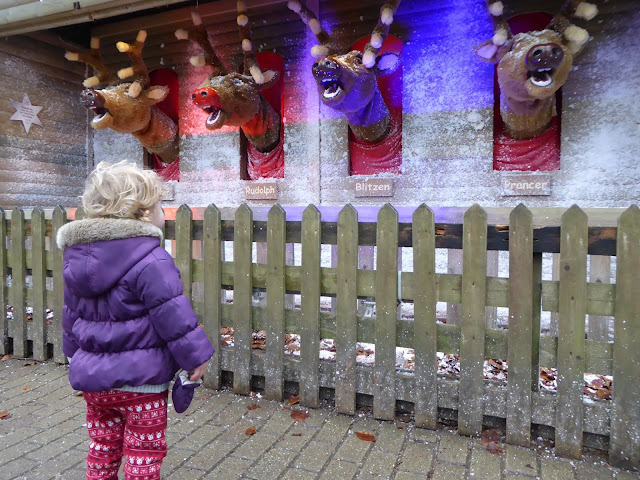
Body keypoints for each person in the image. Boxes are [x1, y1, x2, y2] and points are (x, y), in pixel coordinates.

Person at [57, 160, 214, 480]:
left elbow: (71, 314)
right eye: (159, 205)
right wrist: (195, 358)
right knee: (144, 452)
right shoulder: (152, 258)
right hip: (142, 384)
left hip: (95, 383)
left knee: (103, 446)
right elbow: (172, 314)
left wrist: (74, 357)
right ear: (143, 213)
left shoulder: (78, 258)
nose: (162, 212)